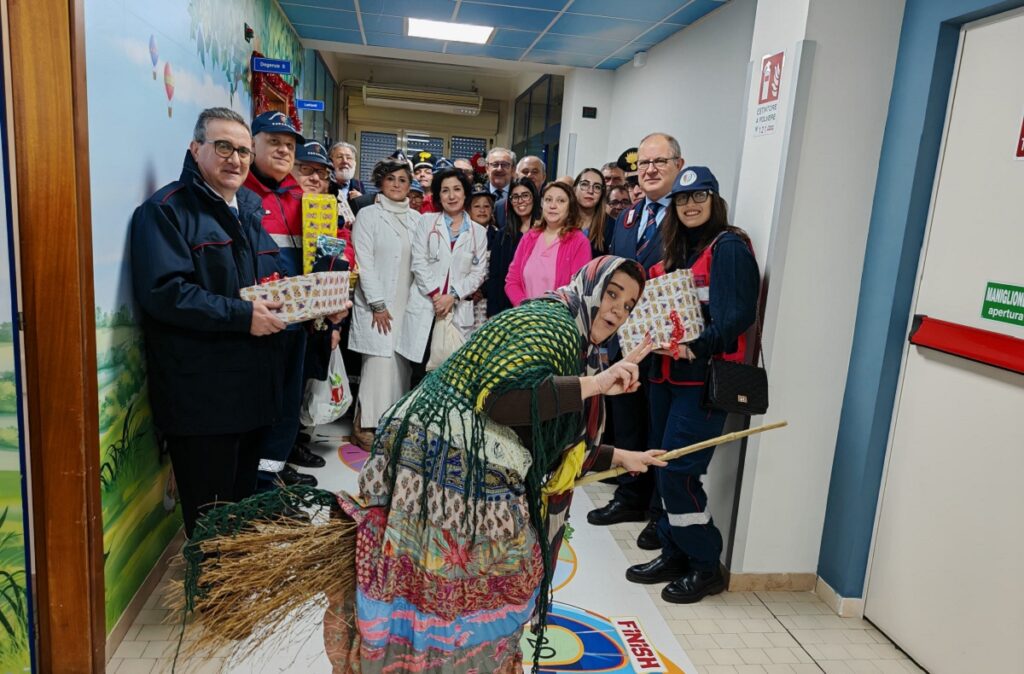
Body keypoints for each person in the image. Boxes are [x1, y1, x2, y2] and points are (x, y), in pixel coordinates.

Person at [324, 256, 667, 673]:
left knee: (444, 584)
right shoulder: (554, 324)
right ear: (590, 287)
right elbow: (504, 401)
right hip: (438, 454)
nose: (617, 310)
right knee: (454, 580)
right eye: (612, 294)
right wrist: (595, 384)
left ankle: (436, 661)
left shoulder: (579, 346)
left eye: (629, 305)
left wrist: (622, 456)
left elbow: (547, 435)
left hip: (455, 451)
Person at [129, 107, 287, 537]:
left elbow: (271, 283)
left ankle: (232, 597)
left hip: (251, 394)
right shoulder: (165, 212)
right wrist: (243, 316)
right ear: (195, 148)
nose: (234, 159)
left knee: (238, 513)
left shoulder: (249, 214)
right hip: (202, 400)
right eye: (223, 147)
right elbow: (167, 294)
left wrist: (306, 300)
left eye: (242, 150)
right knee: (210, 519)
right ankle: (209, 603)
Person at [625, 166, 759, 604]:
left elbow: (737, 316)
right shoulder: (677, 252)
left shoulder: (730, 247)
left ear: (714, 201)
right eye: (683, 199)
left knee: (680, 474)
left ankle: (705, 565)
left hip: (701, 382)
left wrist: (696, 348)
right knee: (663, 466)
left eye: (699, 196)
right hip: (665, 377)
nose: (690, 204)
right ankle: (674, 550)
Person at [588, 132, 685, 547]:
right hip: (623, 337)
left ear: (678, 166)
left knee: (657, 428)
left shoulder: (686, 215)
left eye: (658, 162)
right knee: (625, 418)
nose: (648, 170)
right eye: (643, 164)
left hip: (663, 343)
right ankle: (629, 494)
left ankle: (657, 510)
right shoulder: (627, 218)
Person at [243, 111, 320, 488]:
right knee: (256, 409)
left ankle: (270, 479)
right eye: (273, 142)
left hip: (297, 323)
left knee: (287, 409)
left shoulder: (302, 199)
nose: (283, 150)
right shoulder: (239, 195)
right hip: (253, 326)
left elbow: (328, 251)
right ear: (253, 143)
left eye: (289, 145)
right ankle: (251, 484)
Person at [348, 159, 418, 450]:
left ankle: (393, 421)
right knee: (378, 364)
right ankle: (365, 422)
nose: (397, 185)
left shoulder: (417, 218)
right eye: (391, 179)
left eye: (403, 180)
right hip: (378, 302)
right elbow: (363, 260)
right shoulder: (368, 215)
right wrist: (377, 303)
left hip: (408, 301)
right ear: (380, 182)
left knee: (400, 365)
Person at [403, 168, 489, 378]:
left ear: (465, 193)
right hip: (427, 305)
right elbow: (419, 262)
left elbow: (478, 273)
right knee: (420, 374)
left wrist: (453, 295)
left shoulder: (478, 232)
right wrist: (436, 296)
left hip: (457, 311)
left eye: (457, 189)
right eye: (445, 191)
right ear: (438, 196)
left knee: (451, 377)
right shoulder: (427, 221)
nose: (452, 196)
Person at [505, 182, 592, 306]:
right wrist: (524, 307)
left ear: (570, 207)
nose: (553, 206)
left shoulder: (579, 242)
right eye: (548, 200)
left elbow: (578, 289)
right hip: (525, 316)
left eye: (561, 201)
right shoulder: (529, 237)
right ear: (542, 204)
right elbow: (512, 281)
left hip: (557, 319)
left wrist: (547, 315)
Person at [486, 177, 538, 317]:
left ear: (534, 198)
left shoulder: (545, 233)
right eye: (515, 197)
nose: (520, 201)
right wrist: (493, 315)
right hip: (506, 310)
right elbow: (495, 278)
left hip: (537, 308)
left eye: (525, 195)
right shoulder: (503, 235)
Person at [574, 167, 610, 256]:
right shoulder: (561, 220)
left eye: (597, 187)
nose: (590, 191)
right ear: (575, 188)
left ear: (602, 193)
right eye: (585, 184)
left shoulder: (611, 226)